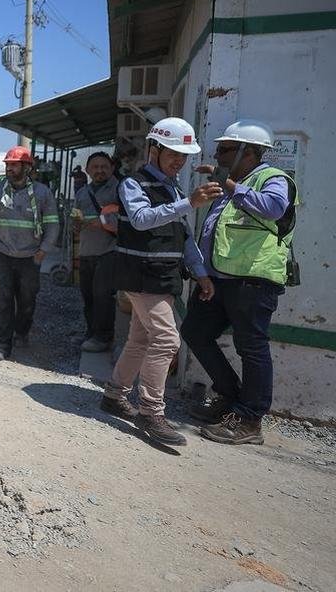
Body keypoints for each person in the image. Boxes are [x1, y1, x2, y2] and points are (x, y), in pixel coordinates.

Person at [98, 117, 220, 447]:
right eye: (172, 153)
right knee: (167, 340)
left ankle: (114, 395)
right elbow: (140, 220)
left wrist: (200, 271)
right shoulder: (133, 184)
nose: (179, 161)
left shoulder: (175, 189)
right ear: (154, 150)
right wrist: (189, 202)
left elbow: (184, 236)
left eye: (183, 156)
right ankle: (151, 411)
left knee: (140, 338)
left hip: (161, 277)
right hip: (140, 276)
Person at [183, 119, 297, 446]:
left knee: (251, 347)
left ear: (248, 151)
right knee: (194, 332)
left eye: (225, 149)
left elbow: (275, 208)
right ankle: (231, 397)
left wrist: (230, 184)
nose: (217, 154)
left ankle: (249, 419)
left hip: (252, 281)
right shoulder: (231, 180)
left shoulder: (273, 179)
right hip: (219, 279)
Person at [0, 146, 59, 361]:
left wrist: (43, 251)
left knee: (26, 299)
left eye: (14, 164)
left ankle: (21, 332)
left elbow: (52, 224)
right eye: (7, 165)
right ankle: (2, 344)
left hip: (30, 258)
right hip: (2, 255)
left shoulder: (42, 193)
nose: (9, 168)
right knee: (3, 300)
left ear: (27, 167)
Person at [74, 153, 121, 353]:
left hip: (109, 250)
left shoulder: (120, 189)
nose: (100, 170)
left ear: (111, 168)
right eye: (95, 167)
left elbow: (127, 219)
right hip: (86, 250)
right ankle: (91, 332)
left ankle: (103, 337)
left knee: (103, 295)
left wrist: (101, 223)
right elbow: (75, 215)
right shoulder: (82, 192)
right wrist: (75, 224)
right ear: (88, 170)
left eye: (104, 166)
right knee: (88, 296)